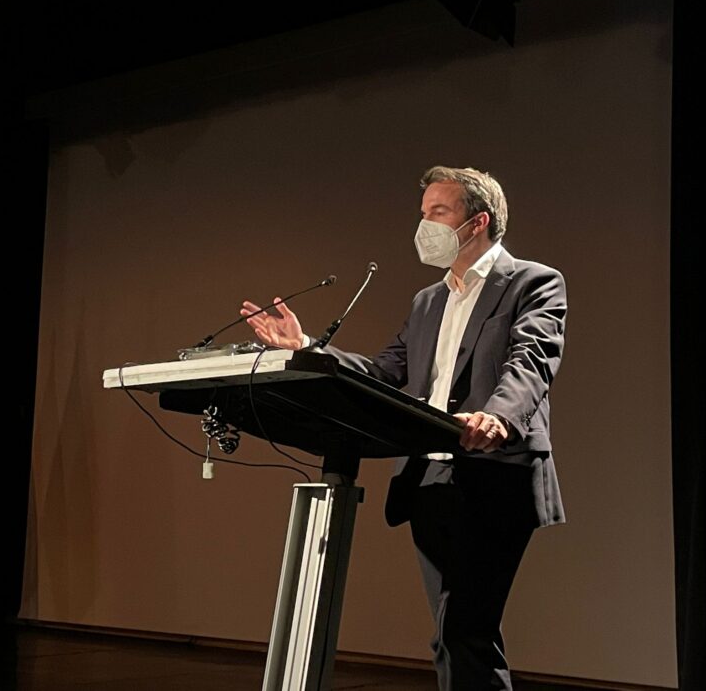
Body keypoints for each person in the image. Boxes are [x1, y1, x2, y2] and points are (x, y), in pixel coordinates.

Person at [240, 165, 567, 690]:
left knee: (464, 631)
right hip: (428, 481)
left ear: (478, 221)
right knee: (452, 637)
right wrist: (305, 350)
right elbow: (382, 373)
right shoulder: (428, 300)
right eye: (423, 213)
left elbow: (531, 361)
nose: (425, 225)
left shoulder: (532, 282)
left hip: (493, 473)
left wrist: (499, 417)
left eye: (438, 212)